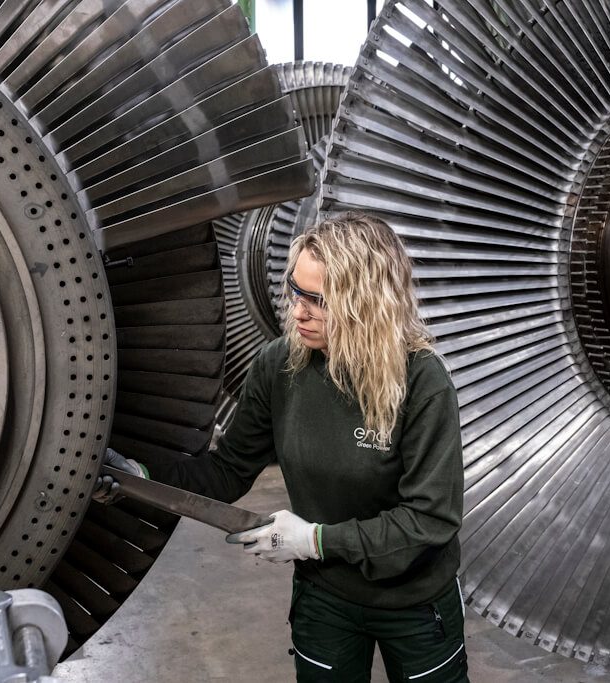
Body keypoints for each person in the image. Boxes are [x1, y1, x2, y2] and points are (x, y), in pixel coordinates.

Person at [97, 212, 468, 682]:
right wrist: (141, 476)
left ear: (367, 303)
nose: (297, 312)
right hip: (326, 596)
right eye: (296, 291)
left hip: (415, 602)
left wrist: (315, 540)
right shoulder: (280, 367)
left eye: (318, 300)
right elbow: (226, 471)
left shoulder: (422, 382)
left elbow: (428, 520)